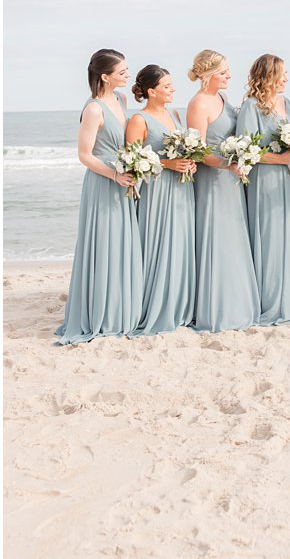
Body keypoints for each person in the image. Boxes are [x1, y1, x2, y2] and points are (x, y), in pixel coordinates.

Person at [56, 49, 146, 343]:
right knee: (105, 245)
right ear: (105, 76)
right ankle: (102, 313)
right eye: (122, 72)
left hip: (124, 179)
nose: (127, 75)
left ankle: (122, 310)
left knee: (122, 244)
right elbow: (84, 155)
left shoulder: (119, 99)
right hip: (103, 182)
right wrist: (115, 174)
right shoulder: (94, 109)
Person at [185, 49, 261, 333]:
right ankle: (217, 308)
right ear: (207, 75)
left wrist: (240, 159)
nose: (229, 75)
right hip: (213, 180)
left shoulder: (223, 98)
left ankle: (239, 302)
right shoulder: (198, 104)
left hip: (231, 177)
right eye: (223, 72)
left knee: (235, 238)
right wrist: (227, 164)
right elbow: (199, 151)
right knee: (217, 238)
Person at [124, 64, 196, 334]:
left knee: (181, 245)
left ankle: (179, 306)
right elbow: (133, 161)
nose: (173, 89)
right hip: (157, 192)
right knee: (158, 246)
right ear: (151, 91)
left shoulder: (175, 114)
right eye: (167, 86)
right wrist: (168, 164)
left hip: (182, 189)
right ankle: (154, 307)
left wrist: (191, 162)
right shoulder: (139, 121)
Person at [237, 54, 290, 325]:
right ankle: (270, 303)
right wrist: (280, 159)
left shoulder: (286, 103)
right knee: (270, 238)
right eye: (282, 74)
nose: (287, 79)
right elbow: (246, 151)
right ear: (268, 76)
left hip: (289, 178)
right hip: (265, 180)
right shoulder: (251, 107)